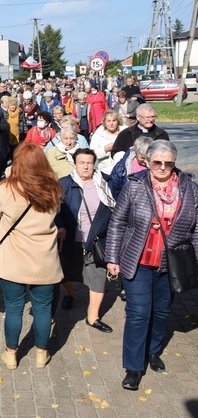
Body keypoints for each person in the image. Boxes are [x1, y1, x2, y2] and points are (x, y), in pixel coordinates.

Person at [105, 140, 198, 391]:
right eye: (157, 162)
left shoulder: (190, 189)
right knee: (138, 313)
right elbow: (117, 223)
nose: (163, 167)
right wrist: (112, 258)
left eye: (168, 163)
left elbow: (196, 230)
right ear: (147, 161)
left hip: (171, 263)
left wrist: (195, 262)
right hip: (138, 260)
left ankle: (153, 350)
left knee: (161, 312)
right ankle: (133, 367)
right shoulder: (135, 186)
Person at [0, 142, 64, 370]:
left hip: (14, 259)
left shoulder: (7, 188)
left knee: (14, 307)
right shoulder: (53, 188)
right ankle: (42, 354)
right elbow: (57, 211)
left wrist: (10, 176)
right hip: (44, 260)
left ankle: (11, 354)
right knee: (43, 309)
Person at [56, 148, 116, 333]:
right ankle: (70, 293)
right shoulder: (65, 183)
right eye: (82, 162)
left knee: (98, 276)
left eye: (89, 162)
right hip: (70, 238)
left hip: (97, 239)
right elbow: (54, 209)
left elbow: (116, 209)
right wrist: (59, 225)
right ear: (75, 164)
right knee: (64, 273)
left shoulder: (105, 183)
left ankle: (93, 317)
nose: (86, 166)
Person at [111, 136, 153, 201]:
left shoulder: (155, 164)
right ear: (136, 152)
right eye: (142, 158)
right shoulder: (124, 164)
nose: (145, 161)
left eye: (147, 158)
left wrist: (150, 167)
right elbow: (115, 182)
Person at [89, 110, 125, 175]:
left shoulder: (124, 133)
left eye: (114, 121)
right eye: (108, 121)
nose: (111, 123)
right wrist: (105, 149)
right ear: (104, 122)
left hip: (122, 169)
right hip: (103, 169)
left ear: (118, 121)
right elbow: (91, 154)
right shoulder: (98, 134)